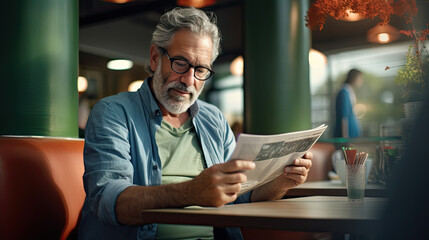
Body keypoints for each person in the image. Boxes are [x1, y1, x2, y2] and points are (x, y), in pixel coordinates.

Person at [78, 7, 313, 240]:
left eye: (200, 69)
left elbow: (238, 195)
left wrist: (281, 183)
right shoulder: (113, 113)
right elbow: (108, 201)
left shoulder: (214, 119)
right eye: (180, 63)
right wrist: (191, 192)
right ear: (154, 57)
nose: (189, 80)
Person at [334, 69, 363, 138]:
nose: (361, 81)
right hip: (347, 136)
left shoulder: (349, 91)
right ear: (354, 77)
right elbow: (344, 117)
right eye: (360, 78)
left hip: (352, 135)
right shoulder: (344, 93)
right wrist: (345, 138)